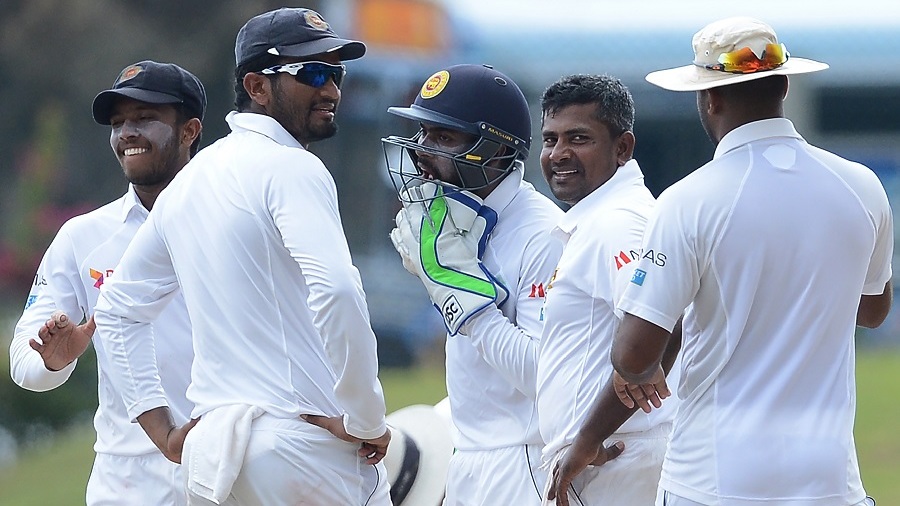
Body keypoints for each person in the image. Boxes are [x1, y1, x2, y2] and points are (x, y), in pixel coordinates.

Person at [549, 17, 892, 506]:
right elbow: (873, 311)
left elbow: (634, 355)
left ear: (709, 97)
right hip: (831, 482)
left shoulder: (690, 200)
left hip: (713, 482)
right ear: (784, 86)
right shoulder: (861, 186)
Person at [92, 7, 392, 505]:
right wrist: (366, 418)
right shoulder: (292, 168)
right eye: (312, 73)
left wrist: (164, 430)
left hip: (216, 458)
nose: (332, 89)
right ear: (256, 86)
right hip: (302, 449)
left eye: (336, 73)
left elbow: (117, 312)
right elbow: (338, 291)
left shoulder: (189, 181)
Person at [9, 60, 204, 505]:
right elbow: (24, 362)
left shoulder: (236, 223)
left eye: (145, 119)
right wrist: (54, 361)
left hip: (231, 473)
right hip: (126, 488)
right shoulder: (84, 236)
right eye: (118, 123)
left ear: (190, 131)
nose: (127, 134)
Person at [384, 63, 563, 504]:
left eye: (444, 138)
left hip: (525, 465)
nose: (422, 151)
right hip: (468, 454)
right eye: (424, 134)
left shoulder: (543, 235)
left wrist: (465, 300)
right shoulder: (457, 219)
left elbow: (546, 376)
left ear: (497, 152)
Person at [536, 74, 682, 506]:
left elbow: (664, 325)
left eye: (578, 139)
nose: (558, 154)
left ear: (623, 148)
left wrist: (587, 438)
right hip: (611, 457)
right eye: (550, 139)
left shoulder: (620, 221)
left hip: (614, 458)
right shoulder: (600, 217)